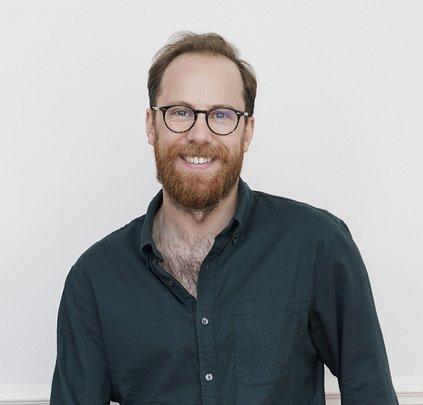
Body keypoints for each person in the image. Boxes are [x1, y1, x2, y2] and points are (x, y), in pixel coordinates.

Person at [50, 32, 399, 405]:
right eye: (180, 112)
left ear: (246, 132)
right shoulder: (95, 279)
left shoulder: (318, 246)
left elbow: (371, 393)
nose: (200, 134)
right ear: (152, 125)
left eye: (221, 115)